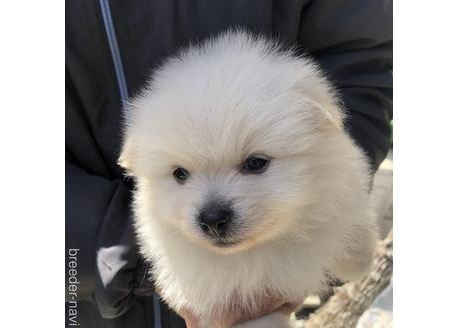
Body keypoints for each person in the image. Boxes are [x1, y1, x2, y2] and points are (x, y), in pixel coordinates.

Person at [65, 0, 392, 327]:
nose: (212, 214)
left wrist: (341, 226)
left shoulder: (302, 108)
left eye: (254, 163)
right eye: (181, 173)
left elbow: (360, 65)